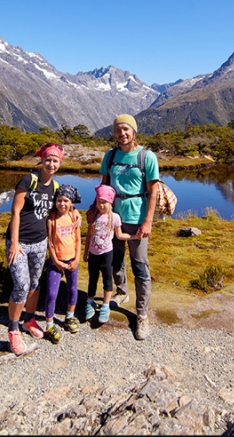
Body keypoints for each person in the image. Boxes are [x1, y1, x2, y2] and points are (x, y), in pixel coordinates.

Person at [98, 114, 160, 341]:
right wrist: (97, 212)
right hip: (112, 216)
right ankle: (122, 291)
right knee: (114, 258)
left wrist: (148, 221)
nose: (122, 133)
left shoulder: (147, 157)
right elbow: (104, 185)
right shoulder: (110, 155)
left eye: (126, 129)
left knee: (140, 265)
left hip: (137, 217)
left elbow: (153, 191)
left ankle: (142, 314)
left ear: (134, 131)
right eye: (118, 130)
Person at [5, 142, 69, 355]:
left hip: (40, 242)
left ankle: (29, 319)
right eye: (48, 159)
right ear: (42, 160)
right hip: (20, 242)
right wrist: (14, 243)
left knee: (35, 283)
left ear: (60, 164)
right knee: (21, 285)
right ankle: (13, 330)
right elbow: (15, 212)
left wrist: (74, 215)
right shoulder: (28, 180)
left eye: (55, 161)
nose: (51, 164)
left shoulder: (56, 187)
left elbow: (61, 209)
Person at [83, 184, 137, 324]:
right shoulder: (93, 215)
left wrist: (134, 236)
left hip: (107, 254)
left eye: (104, 203)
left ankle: (105, 305)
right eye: (99, 202)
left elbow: (119, 235)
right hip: (93, 254)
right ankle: (90, 302)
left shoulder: (114, 217)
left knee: (107, 279)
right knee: (92, 279)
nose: (101, 206)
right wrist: (85, 252)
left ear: (110, 202)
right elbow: (89, 234)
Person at [42, 184, 82, 344]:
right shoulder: (52, 219)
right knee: (52, 293)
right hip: (56, 262)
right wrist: (55, 260)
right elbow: (50, 242)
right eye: (59, 200)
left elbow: (78, 240)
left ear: (71, 202)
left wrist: (77, 259)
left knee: (73, 289)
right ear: (55, 201)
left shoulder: (73, 217)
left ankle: (69, 317)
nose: (62, 204)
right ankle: (49, 324)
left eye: (66, 200)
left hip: (72, 260)